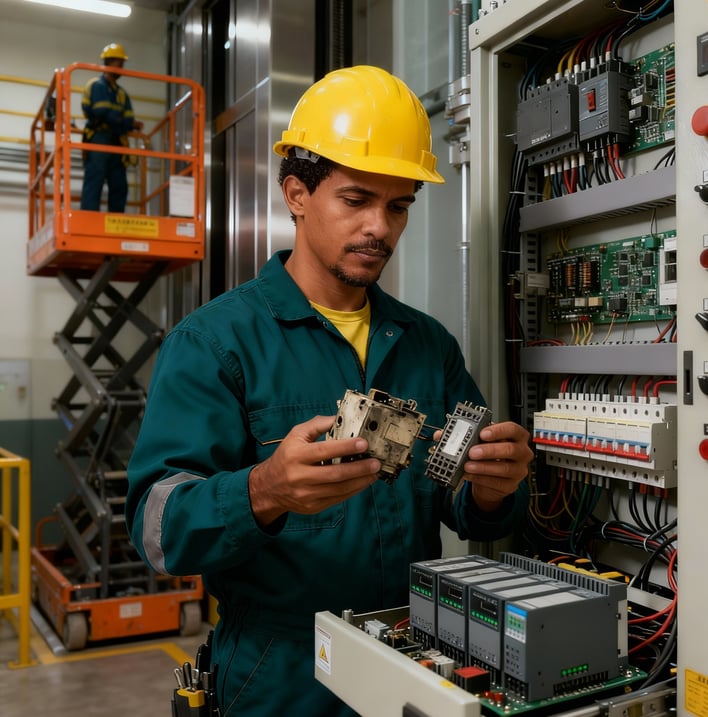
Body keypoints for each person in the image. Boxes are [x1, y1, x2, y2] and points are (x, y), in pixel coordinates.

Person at [125, 65, 533, 717]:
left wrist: (491, 486)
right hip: (278, 676)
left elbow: (464, 503)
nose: (381, 227)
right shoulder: (215, 342)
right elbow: (155, 528)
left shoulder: (427, 344)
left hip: (410, 658)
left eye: (399, 205)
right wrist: (263, 490)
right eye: (357, 199)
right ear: (297, 193)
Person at [80, 43, 143, 212]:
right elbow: (100, 112)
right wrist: (123, 121)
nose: (121, 66)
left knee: (119, 183)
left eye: (122, 63)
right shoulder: (96, 85)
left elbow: (128, 118)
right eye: (118, 62)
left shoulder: (122, 94)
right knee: (95, 179)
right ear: (108, 62)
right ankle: (89, 217)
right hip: (99, 137)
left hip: (117, 141)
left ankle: (117, 220)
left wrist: (121, 121)